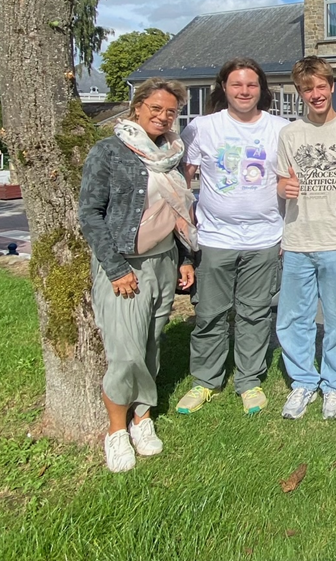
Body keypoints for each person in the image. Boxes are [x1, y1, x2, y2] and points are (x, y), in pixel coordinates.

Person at [78, 79, 197, 473]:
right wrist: (115, 268)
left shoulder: (172, 153)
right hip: (125, 266)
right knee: (125, 352)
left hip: (163, 261)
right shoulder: (109, 151)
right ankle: (115, 431)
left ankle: (142, 419)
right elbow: (90, 214)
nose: (163, 117)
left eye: (170, 111)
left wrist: (183, 259)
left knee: (150, 344)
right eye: (156, 108)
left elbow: (175, 212)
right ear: (137, 107)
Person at [176, 58, 288, 416]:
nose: (244, 91)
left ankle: (249, 380)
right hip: (214, 237)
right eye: (237, 85)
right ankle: (206, 380)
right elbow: (183, 179)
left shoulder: (280, 129)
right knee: (209, 313)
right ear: (223, 87)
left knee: (255, 313)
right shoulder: (201, 128)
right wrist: (185, 220)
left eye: (251, 85)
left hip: (265, 238)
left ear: (261, 89)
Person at [275, 57, 336, 420]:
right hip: (297, 238)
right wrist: (285, 187)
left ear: (331, 87)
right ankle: (302, 382)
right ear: (300, 93)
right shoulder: (289, 135)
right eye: (307, 89)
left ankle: (333, 386)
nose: (316, 94)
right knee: (293, 317)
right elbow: (280, 182)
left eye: (321, 86)